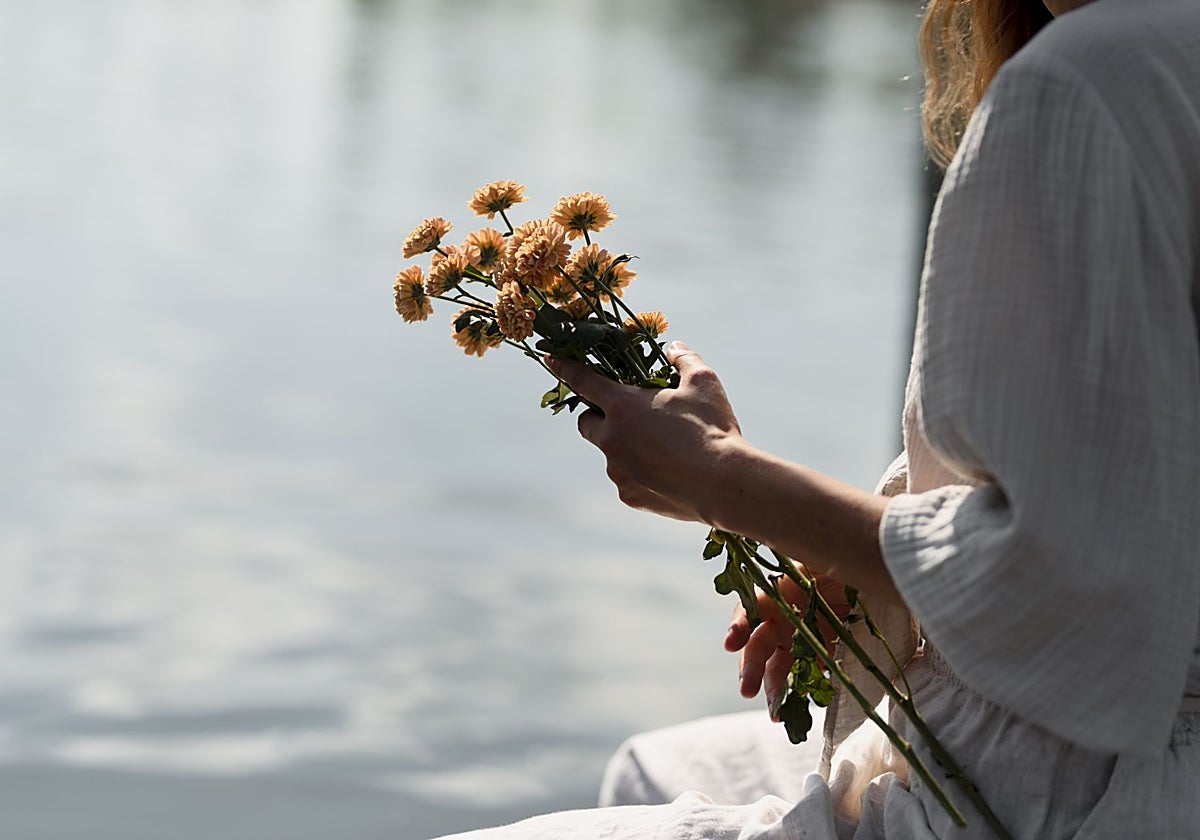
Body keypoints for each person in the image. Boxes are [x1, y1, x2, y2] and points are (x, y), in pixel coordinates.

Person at [438, 0, 1200, 836]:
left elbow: (1066, 585)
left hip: (1069, 798)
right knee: (654, 768)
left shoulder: (1093, 77)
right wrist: (877, 565)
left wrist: (720, 476)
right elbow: (1134, 497)